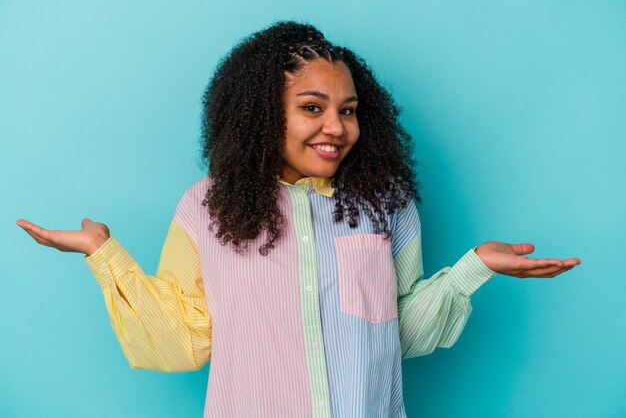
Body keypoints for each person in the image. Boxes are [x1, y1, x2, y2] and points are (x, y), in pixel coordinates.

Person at [16, 21, 580, 417]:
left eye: (348, 111)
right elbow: (182, 340)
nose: (336, 127)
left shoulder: (387, 203)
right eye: (312, 108)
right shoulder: (207, 205)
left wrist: (473, 267)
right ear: (263, 114)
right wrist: (102, 254)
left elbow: (396, 333)